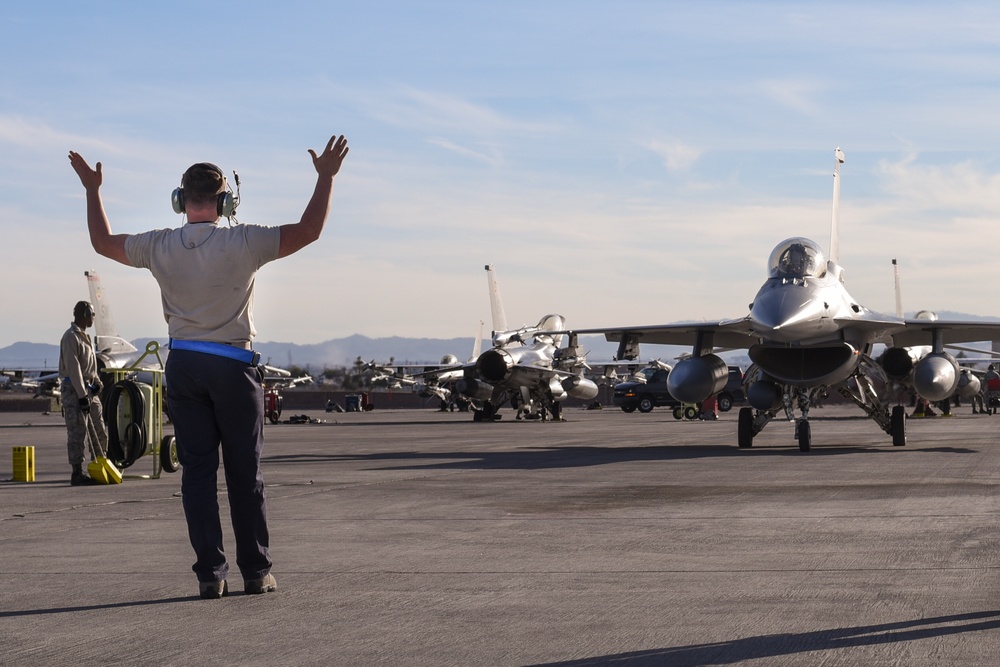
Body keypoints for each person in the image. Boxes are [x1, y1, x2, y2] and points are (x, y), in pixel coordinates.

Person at [68, 135, 349, 599]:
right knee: (244, 475)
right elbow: (308, 230)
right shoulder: (245, 240)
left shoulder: (157, 245)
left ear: (180, 201)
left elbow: (102, 242)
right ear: (225, 200)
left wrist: (92, 189)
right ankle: (256, 572)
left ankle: (210, 575)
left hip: (184, 367)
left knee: (197, 475)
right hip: (233, 367)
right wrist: (325, 179)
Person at [58, 300, 110, 486]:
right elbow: (74, 370)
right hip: (74, 389)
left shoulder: (85, 337)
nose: (93, 319)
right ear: (85, 315)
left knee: (99, 429)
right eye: (92, 315)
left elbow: (90, 367)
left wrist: (97, 383)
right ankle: (77, 472)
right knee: (77, 431)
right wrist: (81, 396)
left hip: (88, 388)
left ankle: (100, 465)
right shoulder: (71, 337)